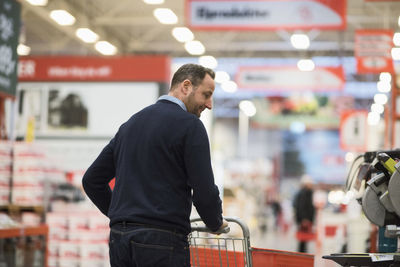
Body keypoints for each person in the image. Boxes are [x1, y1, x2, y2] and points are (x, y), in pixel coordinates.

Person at [82, 63, 227, 267]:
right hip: (162, 241)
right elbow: (204, 191)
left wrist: (123, 216)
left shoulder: (130, 125)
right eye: (206, 94)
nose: (209, 104)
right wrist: (215, 222)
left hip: (120, 240)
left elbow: (91, 180)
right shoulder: (191, 126)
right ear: (186, 86)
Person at [293, 175, 315, 253]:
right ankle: (302, 255)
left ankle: (302, 253)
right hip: (304, 220)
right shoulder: (305, 193)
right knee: (303, 239)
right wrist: (304, 219)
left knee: (303, 239)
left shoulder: (304, 193)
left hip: (303, 219)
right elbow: (302, 207)